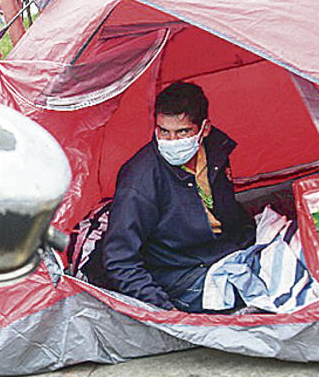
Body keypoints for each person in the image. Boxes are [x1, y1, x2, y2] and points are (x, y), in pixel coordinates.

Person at [101, 82, 255, 313]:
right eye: (164, 131)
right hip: (179, 273)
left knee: (297, 258)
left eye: (182, 132)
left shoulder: (215, 150)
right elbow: (120, 260)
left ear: (205, 129)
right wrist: (165, 310)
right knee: (257, 295)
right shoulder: (140, 180)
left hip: (222, 249)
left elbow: (224, 209)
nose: (172, 141)